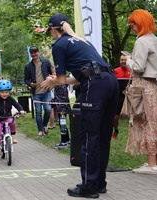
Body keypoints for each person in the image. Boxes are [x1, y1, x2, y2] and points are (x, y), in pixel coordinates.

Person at [41, 13, 118, 198]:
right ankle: (99, 182)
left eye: (50, 31)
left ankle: (88, 186)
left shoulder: (59, 44)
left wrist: (53, 81)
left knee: (89, 136)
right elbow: (77, 77)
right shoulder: (80, 40)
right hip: (111, 81)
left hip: (95, 85)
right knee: (102, 136)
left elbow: (61, 79)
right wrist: (60, 81)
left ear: (53, 30)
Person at [124, 9, 157, 175]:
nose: (132, 27)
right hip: (154, 87)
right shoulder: (156, 41)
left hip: (143, 87)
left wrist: (129, 60)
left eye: (134, 23)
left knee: (146, 124)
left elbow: (139, 67)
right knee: (154, 124)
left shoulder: (141, 41)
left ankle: (151, 164)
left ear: (141, 23)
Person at [0, 80, 25, 155]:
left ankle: (13, 135)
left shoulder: (10, 99)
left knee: (12, 122)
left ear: (9, 92)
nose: (4, 94)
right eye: (2, 92)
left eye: (6, 92)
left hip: (8, 116)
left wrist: (21, 110)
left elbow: (17, 105)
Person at [24, 46, 52, 136]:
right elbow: (26, 80)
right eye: (32, 53)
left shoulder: (46, 62)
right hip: (36, 92)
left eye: (35, 52)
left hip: (46, 90)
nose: (33, 54)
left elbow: (52, 73)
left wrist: (51, 83)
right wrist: (30, 84)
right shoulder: (28, 66)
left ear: (38, 52)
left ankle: (44, 126)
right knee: (38, 111)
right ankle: (40, 130)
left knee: (48, 109)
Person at [112, 55, 131, 139]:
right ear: (120, 61)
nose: (123, 61)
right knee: (115, 117)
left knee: (134, 116)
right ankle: (116, 131)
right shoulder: (115, 71)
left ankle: (132, 134)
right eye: (122, 60)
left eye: (125, 60)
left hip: (130, 96)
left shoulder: (132, 70)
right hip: (118, 96)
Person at [51, 84, 71, 149]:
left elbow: (63, 98)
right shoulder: (58, 85)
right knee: (62, 124)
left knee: (62, 125)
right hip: (60, 107)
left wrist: (63, 109)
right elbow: (57, 97)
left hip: (62, 108)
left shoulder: (60, 85)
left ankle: (64, 141)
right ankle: (66, 140)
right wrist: (52, 101)